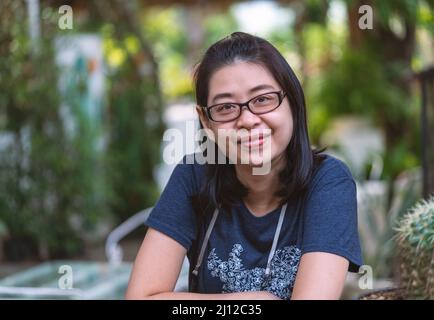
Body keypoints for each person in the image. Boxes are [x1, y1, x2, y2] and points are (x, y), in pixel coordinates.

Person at [126, 31, 362, 300]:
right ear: (206, 121)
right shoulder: (194, 175)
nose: (247, 120)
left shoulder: (328, 182)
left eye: (262, 99)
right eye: (226, 107)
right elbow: (141, 298)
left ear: (292, 102)